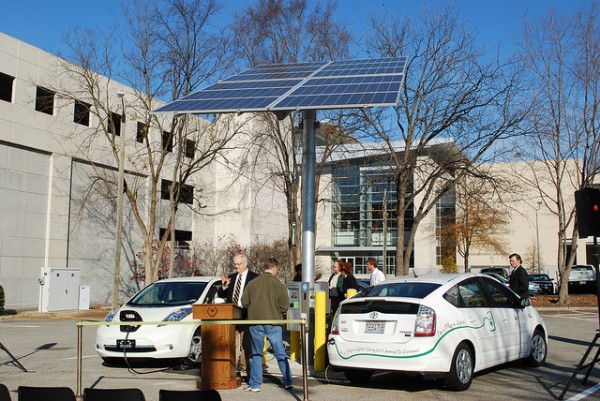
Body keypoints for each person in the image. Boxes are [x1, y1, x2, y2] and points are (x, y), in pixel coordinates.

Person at [241, 258, 293, 392]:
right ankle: (287, 381)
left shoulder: (252, 283)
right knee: (280, 353)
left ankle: (255, 384)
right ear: (274, 268)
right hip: (273, 322)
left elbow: (244, 302)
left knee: (257, 353)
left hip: (255, 322)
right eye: (277, 270)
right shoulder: (278, 284)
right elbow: (284, 306)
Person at [217, 253, 258, 381]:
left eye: (238, 264)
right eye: (235, 264)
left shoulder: (254, 278)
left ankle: (245, 371)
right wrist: (224, 286)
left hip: (246, 315)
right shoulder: (231, 277)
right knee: (232, 345)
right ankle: (231, 370)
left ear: (245, 263)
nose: (236, 267)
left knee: (246, 345)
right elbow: (221, 294)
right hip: (231, 316)